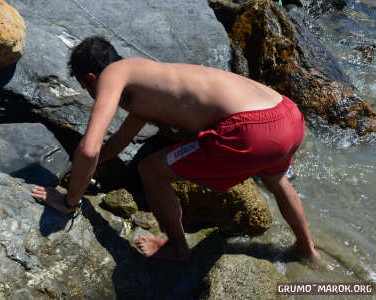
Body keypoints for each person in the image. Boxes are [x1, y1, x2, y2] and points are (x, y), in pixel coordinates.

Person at [31, 36, 321, 262]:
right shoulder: (146, 78)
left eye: (85, 87)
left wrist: (70, 201)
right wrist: (79, 172)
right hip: (287, 115)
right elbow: (115, 144)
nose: (89, 93)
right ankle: (306, 249)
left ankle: (177, 249)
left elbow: (91, 148)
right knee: (276, 180)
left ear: (92, 79)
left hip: (249, 128)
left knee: (151, 170)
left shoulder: (112, 75)